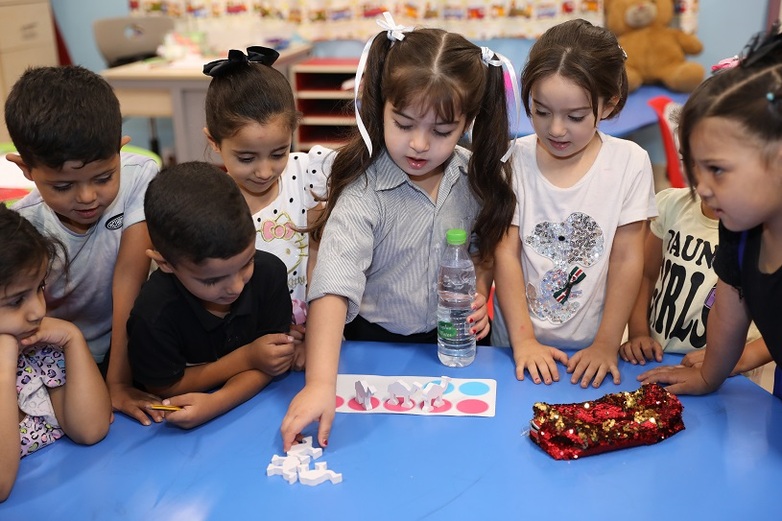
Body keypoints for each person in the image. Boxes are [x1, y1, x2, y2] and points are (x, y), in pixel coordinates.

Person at [279, 13, 517, 450]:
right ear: (379, 107)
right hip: (372, 344)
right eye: (404, 124)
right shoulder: (364, 193)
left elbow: (483, 247)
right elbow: (332, 288)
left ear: (467, 124)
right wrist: (319, 384)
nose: (420, 144)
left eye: (442, 131)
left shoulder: (475, 178)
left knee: (456, 452)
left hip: (451, 344)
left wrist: (480, 289)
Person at [492, 19, 656, 389]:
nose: (556, 130)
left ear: (609, 104)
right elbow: (505, 253)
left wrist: (606, 344)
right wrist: (523, 342)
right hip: (514, 348)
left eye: (576, 116)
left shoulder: (630, 162)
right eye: (541, 110)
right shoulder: (513, 160)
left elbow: (628, 258)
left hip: (592, 350)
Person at [5, 66, 161, 426]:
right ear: (26, 169)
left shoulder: (140, 176)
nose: (88, 197)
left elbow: (128, 282)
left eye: (104, 177)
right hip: (61, 356)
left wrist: (119, 382)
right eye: (62, 186)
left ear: (120, 148)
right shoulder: (26, 227)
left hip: (129, 339)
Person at [639, 24, 782, 396]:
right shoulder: (739, 227)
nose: (702, 187)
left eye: (717, 169)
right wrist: (709, 377)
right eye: (696, 167)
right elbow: (729, 309)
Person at [126, 161, 294, 429]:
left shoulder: (269, 274)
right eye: (212, 280)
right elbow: (165, 386)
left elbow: (273, 361)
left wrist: (219, 401)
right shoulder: (153, 313)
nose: (235, 287)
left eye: (246, 263)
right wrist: (247, 358)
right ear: (165, 263)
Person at [202, 46, 333, 362]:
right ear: (214, 143)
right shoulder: (208, 203)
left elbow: (370, 157)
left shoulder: (309, 173)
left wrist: (315, 332)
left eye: (278, 153)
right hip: (250, 346)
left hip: (318, 334)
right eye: (246, 158)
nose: (264, 171)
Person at [0, 205, 110, 502]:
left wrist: (73, 338)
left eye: (40, 288)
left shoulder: (37, 350)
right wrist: (4, 368)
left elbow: (90, 430)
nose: (38, 310)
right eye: (15, 301)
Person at [620, 187, 774, 384]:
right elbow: (647, 274)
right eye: (690, 163)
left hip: (729, 374)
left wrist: (738, 359)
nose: (702, 181)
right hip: (655, 358)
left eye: (716, 168)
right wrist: (638, 332)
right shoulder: (673, 204)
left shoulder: (765, 230)